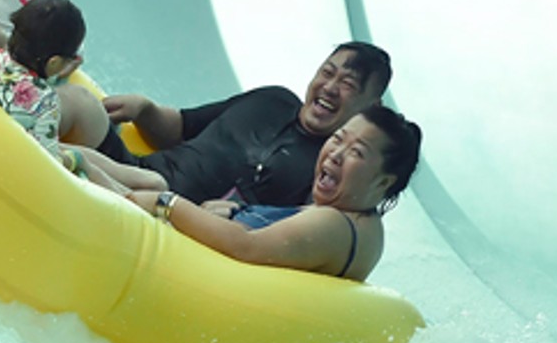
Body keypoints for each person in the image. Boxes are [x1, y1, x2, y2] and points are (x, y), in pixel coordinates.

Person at [122, 104, 422, 282]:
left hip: (186, 277)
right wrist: (234, 212)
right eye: (337, 139)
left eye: (356, 152)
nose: (335, 154)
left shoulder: (335, 224)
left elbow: (246, 247)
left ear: (384, 182)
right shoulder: (356, 219)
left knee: (150, 187)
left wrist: (168, 204)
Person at [98, 42, 393, 208]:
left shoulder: (331, 168)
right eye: (327, 73)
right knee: (81, 104)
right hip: (136, 172)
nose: (329, 87)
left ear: (371, 107)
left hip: (172, 216)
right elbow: (181, 127)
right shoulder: (271, 100)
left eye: (348, 85)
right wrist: (144, 109)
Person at [0, 0, 129, 188]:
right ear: (55, 63)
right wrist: (76, 160)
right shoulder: (45, 103)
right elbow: (46, 165)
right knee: (92, 163)